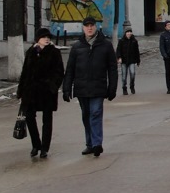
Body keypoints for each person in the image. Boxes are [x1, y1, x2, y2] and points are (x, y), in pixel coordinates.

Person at [62, 17, 118, 157]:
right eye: (86, 26)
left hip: (98, 87)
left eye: (91, 25)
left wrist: (112, 87)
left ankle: (97, 144)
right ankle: (90, 144)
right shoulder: (77, 47)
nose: (89, 28)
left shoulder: (105, 45)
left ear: (96, 27)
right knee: (86, 116)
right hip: (81, 88)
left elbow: (112, 68)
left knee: (96, 113)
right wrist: (66, 88)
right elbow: (70, 69)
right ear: (83, 28)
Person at [17, 27, 65, 159]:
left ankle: (44, 147)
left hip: (47, 92)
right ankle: (36, 144)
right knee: (29, 118)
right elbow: (25, 72)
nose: (47, 39)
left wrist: (53, 86)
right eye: (44, 37)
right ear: (38, 39)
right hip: (31, 91)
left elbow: (60, 72)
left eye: (48, 37)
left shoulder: (54, 52)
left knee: (47, 120)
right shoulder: (31, 52)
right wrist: (20, 92)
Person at [116, 26, 141, 95]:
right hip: (124, 61)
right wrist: (119, 57)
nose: (129, 33)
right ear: (125, 33)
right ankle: (124, 88)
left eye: (130, 32)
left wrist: (138, 60)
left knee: (132, 73)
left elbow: (137, 51)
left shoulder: (134, 41)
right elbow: (118, 50)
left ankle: (132, 86)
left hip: (132, 60)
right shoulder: (121, 41)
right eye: (128, 32)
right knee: (124, 76)